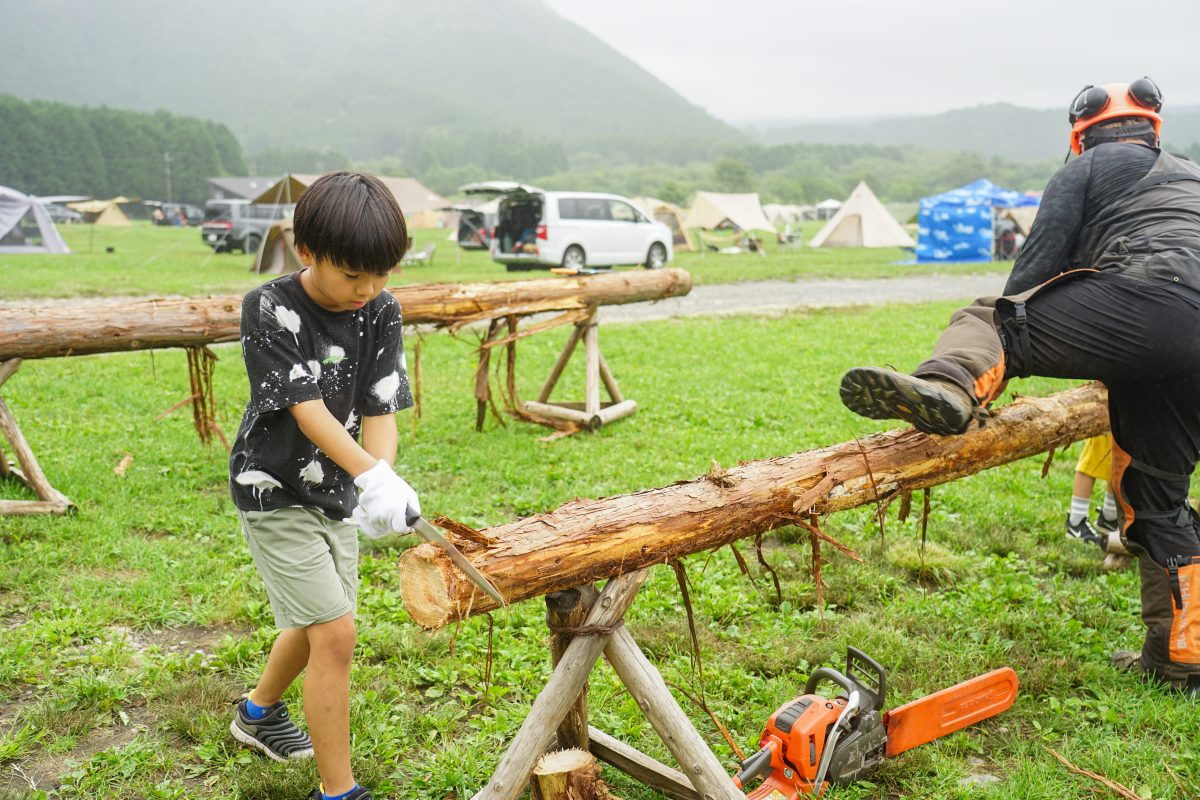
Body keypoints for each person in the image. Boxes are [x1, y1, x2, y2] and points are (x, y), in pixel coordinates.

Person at [838, 77, 1200, 696]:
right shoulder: (1191, 176)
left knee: (989, 316)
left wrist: (1020, 346)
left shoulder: (1083, 170)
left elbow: (1031, 278)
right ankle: (1180, 657)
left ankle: (953, 387)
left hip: (1145, 299)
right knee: (1157, 497)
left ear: (1080, 135)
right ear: (1153, 128)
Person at [227, 171, 419, 800]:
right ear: (307, 252)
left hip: (337, 489)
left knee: (320, 622)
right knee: (335, 632)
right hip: (273, 486)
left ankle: (256, 713)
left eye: (382, 274)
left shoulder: (382, 310)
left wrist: (378, 477)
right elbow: (306, 409)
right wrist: (370, 473)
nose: (368, 291)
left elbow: (381, 403)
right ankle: (339, 792)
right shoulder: (270, 307)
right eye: (353, 276)